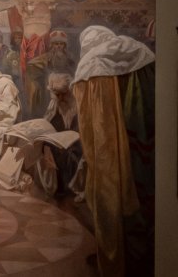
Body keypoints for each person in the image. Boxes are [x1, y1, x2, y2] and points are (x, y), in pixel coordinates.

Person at [71, 25, 156, 277]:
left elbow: (95, 129)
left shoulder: (92, 65)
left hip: (111, 145)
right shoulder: (142, 53)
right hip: (145, 141)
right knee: (144, 192)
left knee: (111, 190)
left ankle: (114, 259)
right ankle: (146, 256)